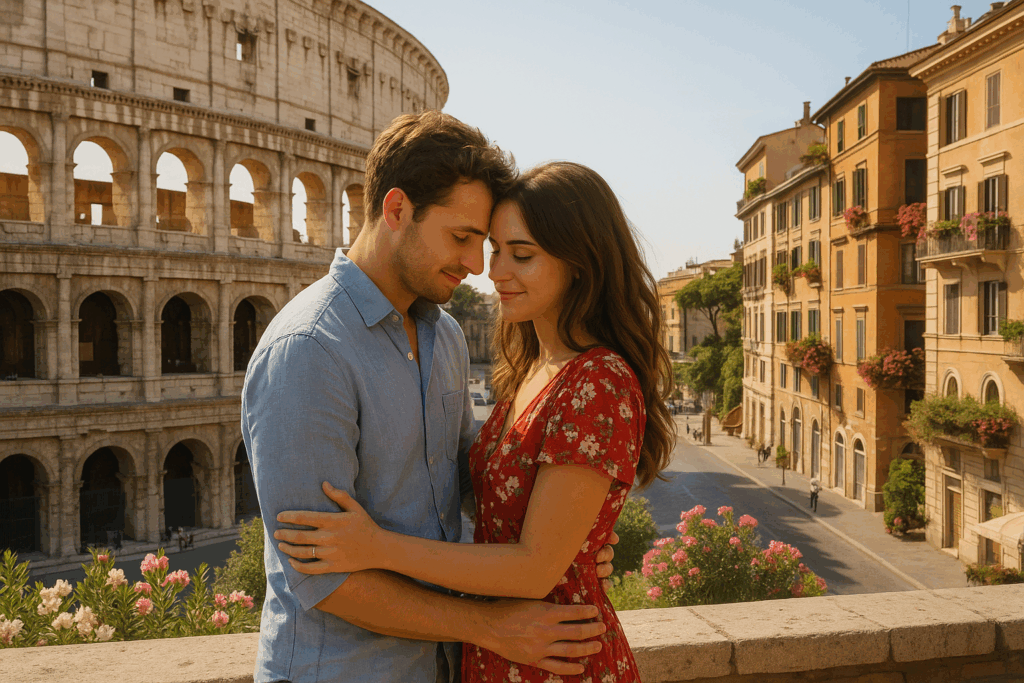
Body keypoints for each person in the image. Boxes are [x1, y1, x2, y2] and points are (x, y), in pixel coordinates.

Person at [242, 112, 617, 683]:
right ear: (396, 210)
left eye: (482, 243)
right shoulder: (309, 350)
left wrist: (568, 539)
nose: (476, 266)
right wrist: (488, 626)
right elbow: (323, 576)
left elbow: (471, 481)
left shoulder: (443, 335)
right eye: (462, 238)